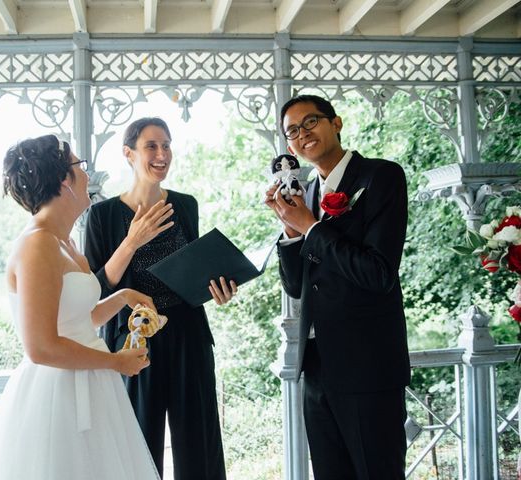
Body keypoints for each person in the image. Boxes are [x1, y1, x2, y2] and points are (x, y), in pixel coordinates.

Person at [0, 135, 160, 480]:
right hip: (56, 396)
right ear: (64, 179)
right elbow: (41, 347)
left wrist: (121, 298)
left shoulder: (66, 242)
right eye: (81, 166)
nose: (88, 176)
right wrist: (114, 362)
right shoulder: (37, 246)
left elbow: (77, 320)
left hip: (93, 385)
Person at [264, 95, 411, 480]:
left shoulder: (380, 177)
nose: (301, 134)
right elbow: (297, 287)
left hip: (368, 366)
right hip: (316, 365)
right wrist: (291, 231)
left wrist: (312, 227)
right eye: (292, 131)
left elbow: (378, 273)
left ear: (336, 123)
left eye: (310, 122)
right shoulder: (306, 192)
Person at [84, 117, 237, 480]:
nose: (161, 154)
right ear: (129, 154)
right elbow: (96, 291)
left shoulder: (186, 205)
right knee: (136, 447)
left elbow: (193, 273)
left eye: (166, 145)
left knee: (199, 445)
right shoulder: (101, 216)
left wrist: (217, 288)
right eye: (151, 146)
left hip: (190, 338)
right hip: (133, 343)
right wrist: (132, 240)